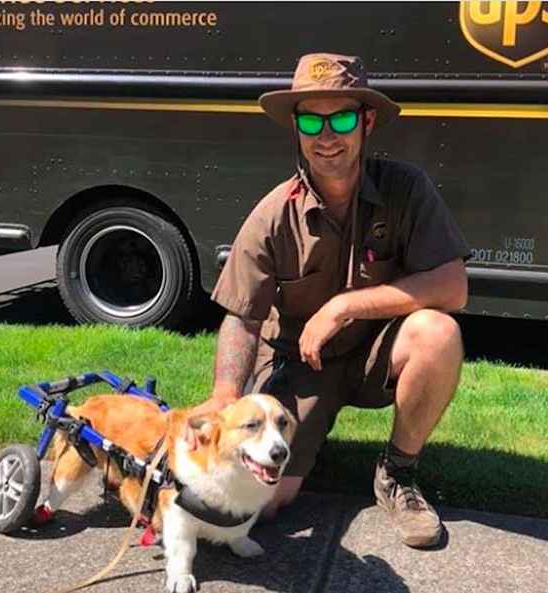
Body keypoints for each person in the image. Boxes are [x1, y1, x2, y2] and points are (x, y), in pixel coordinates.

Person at [194, 53, 470, 548]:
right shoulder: (274, 213)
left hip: (375, 354)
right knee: (264, 501)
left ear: (366, 122)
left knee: (438, 332)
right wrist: (224, 397)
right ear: (295, 126)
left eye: (341, 118)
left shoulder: (407, 190)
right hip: (303, 365)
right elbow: (242, 317)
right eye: (310, 119)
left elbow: (453, 286)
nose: (326, 135)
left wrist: (345, 306)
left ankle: (397, 475)